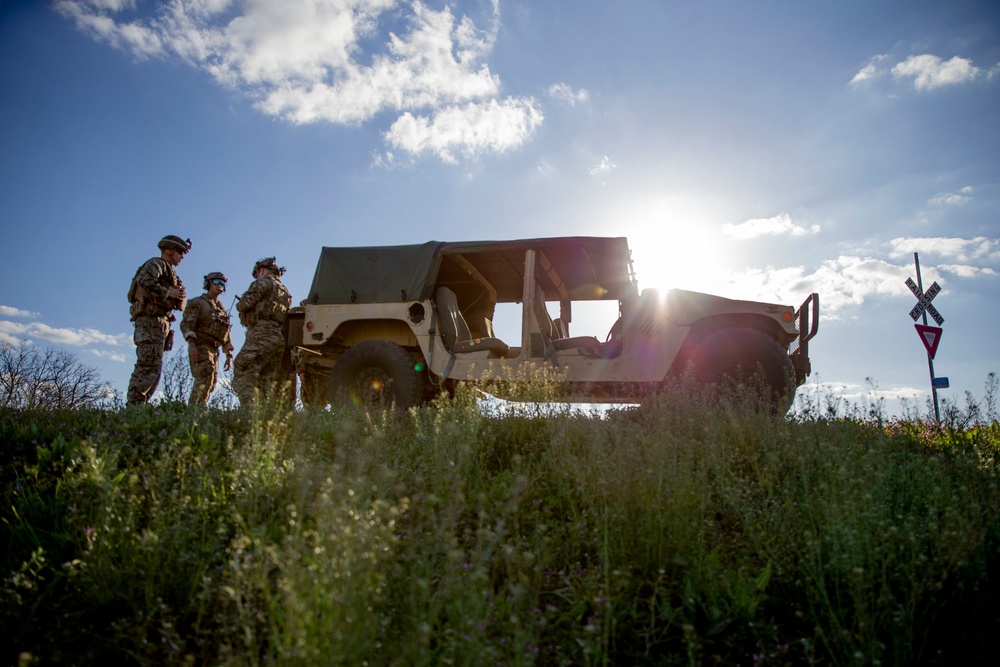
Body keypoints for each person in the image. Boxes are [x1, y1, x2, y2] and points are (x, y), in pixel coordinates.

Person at [126, 235, 191, 406]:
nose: (182, 257)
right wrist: (168, 293)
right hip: (150, 322)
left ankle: (140, 407)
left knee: (154, 368)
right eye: (180, 252)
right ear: (169, 251)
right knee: (147, 366)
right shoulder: (157, 264)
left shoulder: (167, 268)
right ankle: (133, 407)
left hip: (159, 324)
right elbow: (146, 280)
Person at [232, 257, 292, 405]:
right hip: (277, 338)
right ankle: (264, 413)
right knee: (266, 378)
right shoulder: (286, 292)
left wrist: (241, 304)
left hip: (261, 333)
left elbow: (244, 305)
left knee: (243, 368)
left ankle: (249, 410)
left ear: (262, 271)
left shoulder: (263, 283)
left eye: (257, 273)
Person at [180, 271, 235, 406]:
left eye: (222, 283)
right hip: (200, 344)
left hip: (214, 348)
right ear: (209, 284)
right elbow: (187, 324)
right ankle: (193, 411)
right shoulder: (197, 303)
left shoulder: (221, 310)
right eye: (216, 283)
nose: (219, 286)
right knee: (204, 376)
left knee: (211, 382)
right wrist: (191, 344)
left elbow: (226, 334)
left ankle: (199, 410)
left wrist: (228, 355)